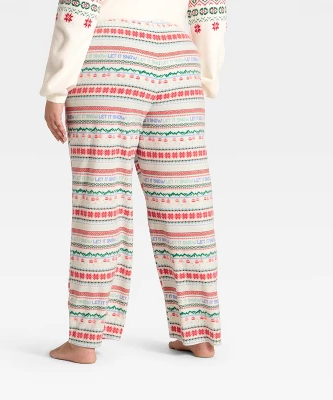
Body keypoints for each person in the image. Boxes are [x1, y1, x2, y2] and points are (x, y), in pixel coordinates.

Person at [39, 0, 227, 364]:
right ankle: (199, 333)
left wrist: (56, 87)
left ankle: (84, 339)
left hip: (111, 54)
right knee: (186, 202)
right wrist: (207, 71)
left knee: (101, 197)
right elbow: (209, 7)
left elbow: (80, 5)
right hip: (178, 57)